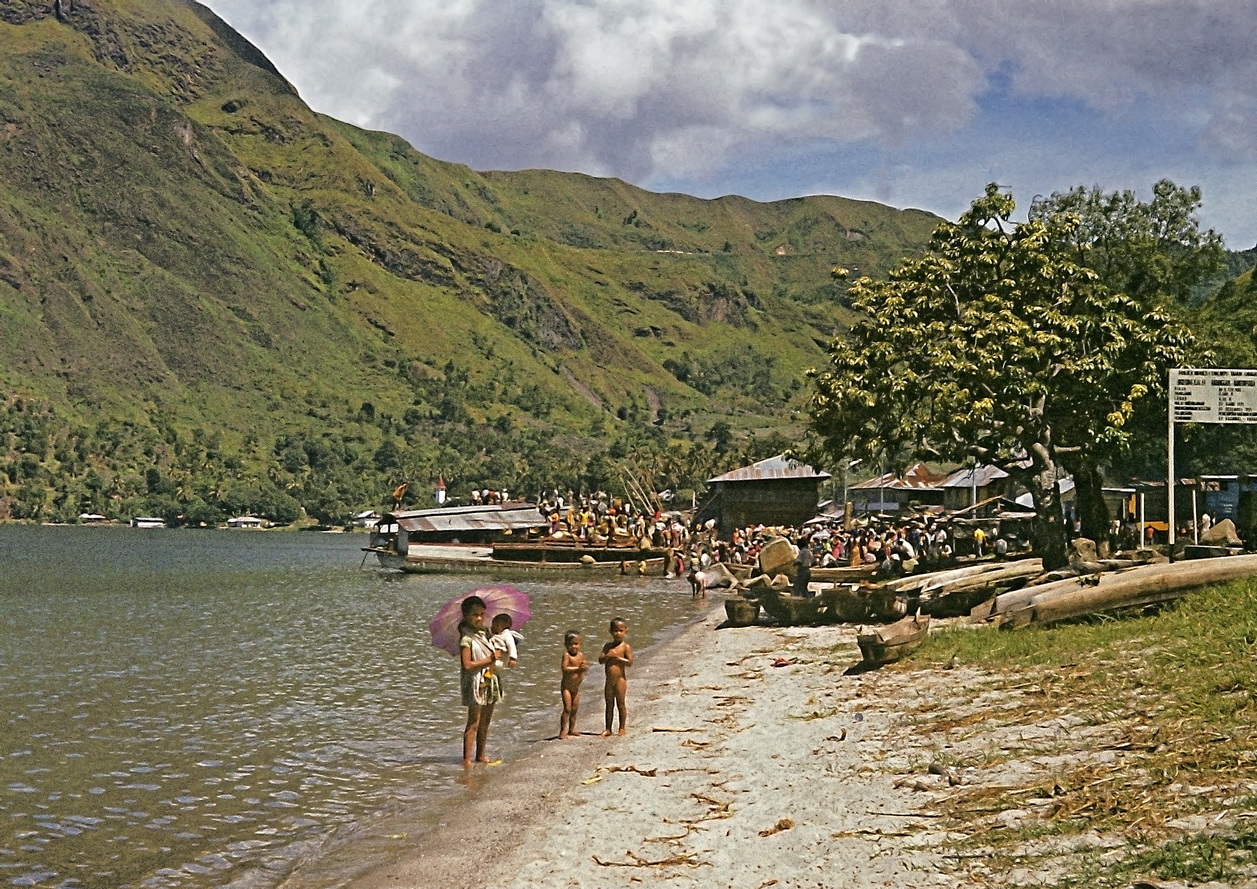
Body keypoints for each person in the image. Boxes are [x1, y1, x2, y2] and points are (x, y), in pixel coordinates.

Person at [457, 596, 500, 768]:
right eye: (475, 615)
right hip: (475, 682)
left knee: (485, 722)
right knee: (473, 722)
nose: (479, 618)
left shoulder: (485, 633)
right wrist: (489, 659)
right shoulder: (466, 639)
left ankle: (480, 755)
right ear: (466, 616)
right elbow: (467, 665)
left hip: (489, 679)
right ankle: (466, 760)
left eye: (482, 614)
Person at [598, 617, 633, 736]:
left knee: (621, 703)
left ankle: (622, 727)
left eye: (620, 631)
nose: (618, 634)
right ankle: (608, 728)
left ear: (625, 631)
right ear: (610, 632)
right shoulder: (607, 646)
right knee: (609, 704)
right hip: (609, 680)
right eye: (615, 631)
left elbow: (629, 662)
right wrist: (608, 655)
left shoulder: (625, 647)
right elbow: (600, 660)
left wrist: (618, 658)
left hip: (620, 680)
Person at [559, 631, 589, 739]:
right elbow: (565, 668)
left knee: (575, 708)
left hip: (576, 688)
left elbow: (584, 666)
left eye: (576, 644)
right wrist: (578, 669)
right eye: (570, 644)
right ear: (566, 645)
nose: (573, 647)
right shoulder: (566, 655)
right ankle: (563, 730)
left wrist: (584, 667)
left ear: (580, 644)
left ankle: (571, 729)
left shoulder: (580, 655)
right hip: (566, 687)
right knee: (567, 708)